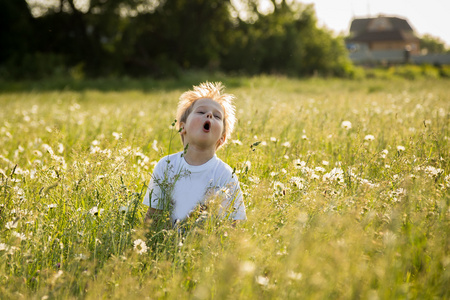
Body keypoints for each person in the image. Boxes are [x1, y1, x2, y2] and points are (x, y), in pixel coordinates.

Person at [143, 82, 246, 227]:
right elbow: (153, 217)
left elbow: (233, 226)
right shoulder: (166, 166)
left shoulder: (225, 176)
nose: (209, 115)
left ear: (222, 139)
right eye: (201, 112)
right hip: (168, 245)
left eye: (217, 116)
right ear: (182, 127)